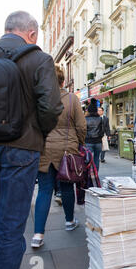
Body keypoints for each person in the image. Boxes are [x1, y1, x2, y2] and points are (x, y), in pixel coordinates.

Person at [0, 11, 63, 269]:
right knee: (12, 227)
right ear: (32, 34)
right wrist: (39, 133)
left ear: (6, 29)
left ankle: (2, 268)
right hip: (21, 149)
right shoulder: (39, 59)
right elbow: (51, 106)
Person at [31, 66, 87, 248]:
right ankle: (69, 221)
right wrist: (80, 143)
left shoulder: (37, 100)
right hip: (67, 150)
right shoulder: (72, 99)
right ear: (63, 82)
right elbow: (81, 126)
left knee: (45, 190)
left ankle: (38, 234)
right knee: (67, 187)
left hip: (44, 150)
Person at [85, 98, 104, 171]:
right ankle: (96, 175)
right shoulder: (99, 119)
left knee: (88, 160)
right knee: (96, 159)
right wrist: (99, 137)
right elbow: (102, 130)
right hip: (98, 142)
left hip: (88, 142)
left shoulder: (85, 119)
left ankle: (89, 175)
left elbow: (83, 130)